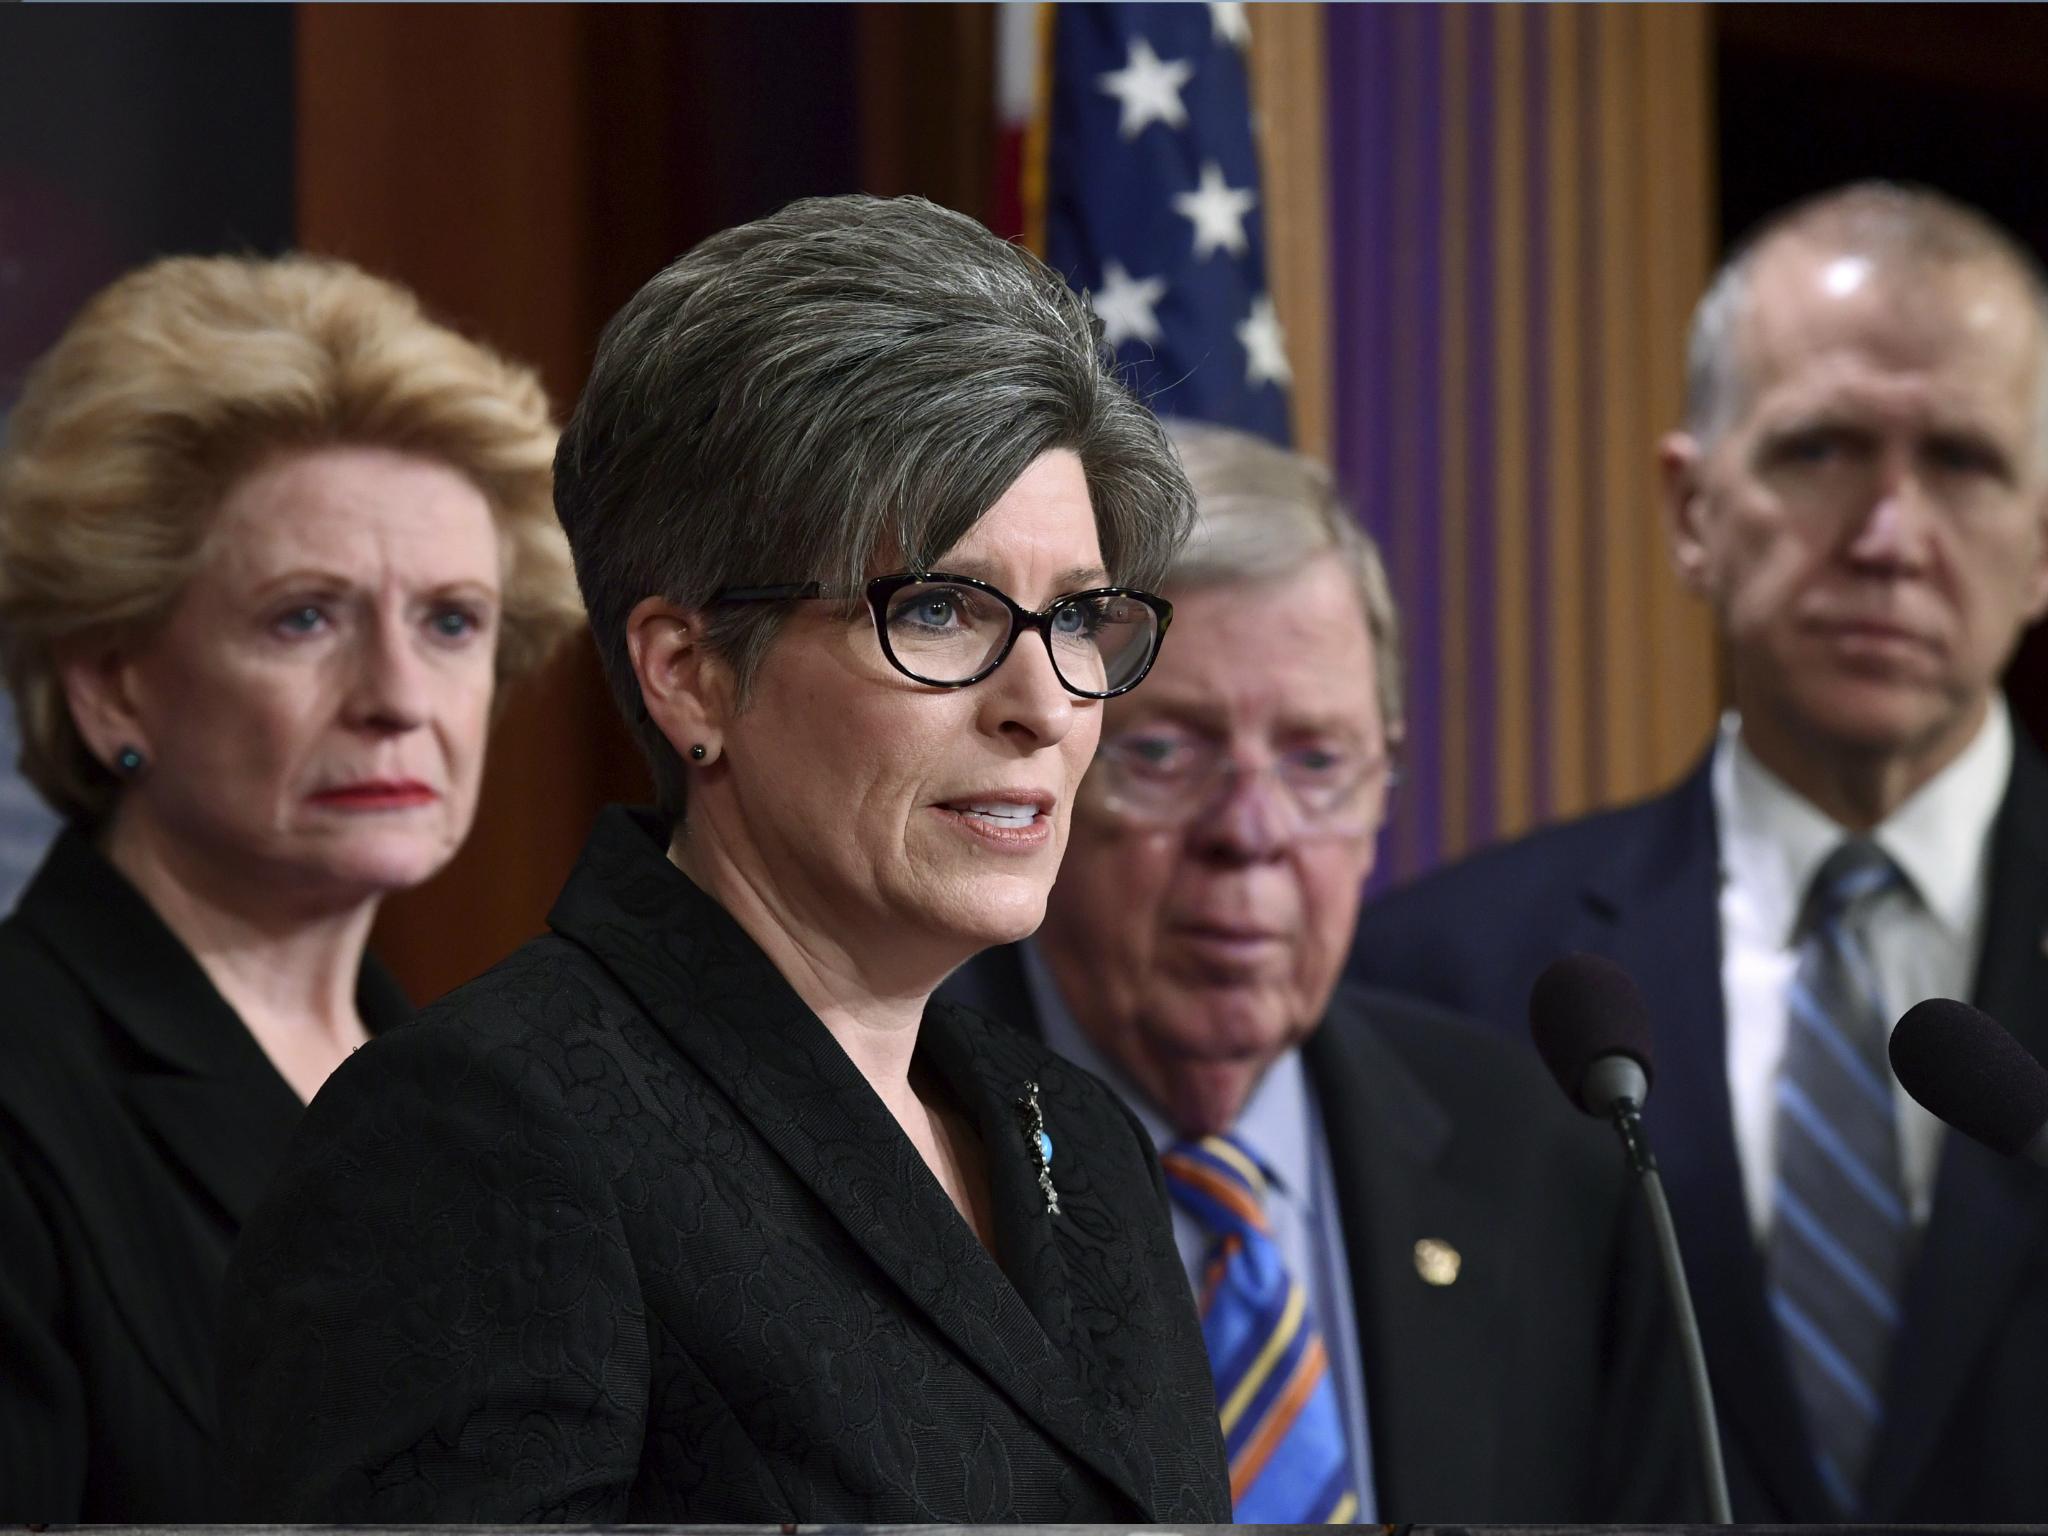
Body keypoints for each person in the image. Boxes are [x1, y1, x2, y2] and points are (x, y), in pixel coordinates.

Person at [218, 194, 1229, 1523]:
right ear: (690, 677)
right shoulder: (485, 1133)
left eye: (1080, 620)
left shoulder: (1075, 1137)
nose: (1043, 703)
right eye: (937, 607)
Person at [1350, 181, 2048, 1521]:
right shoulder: (1452, 972)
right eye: (1821, 450)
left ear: (2039, 540)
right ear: (1691, 510)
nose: (1891, 538)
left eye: (1962, 461)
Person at [943, 420, 1703, 1522]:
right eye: (1162, 751)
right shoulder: (906, 1127)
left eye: (1315, 762)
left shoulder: (1546, 1158)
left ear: (1385, 779)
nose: (1250, 832)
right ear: (1054, 758)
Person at [0, 253, 583, 1520]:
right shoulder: (23, 1087)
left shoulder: (484, 1102)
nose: (396, 699)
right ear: (112, 684)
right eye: (303, 618)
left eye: (449, 622)